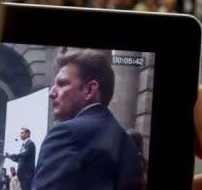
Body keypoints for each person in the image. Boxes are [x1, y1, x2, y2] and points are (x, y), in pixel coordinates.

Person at [31, 49, 143, 189]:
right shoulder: (130, 147)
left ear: (90, 90)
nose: (51, 93)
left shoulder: (66, 135)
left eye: (62, 84)